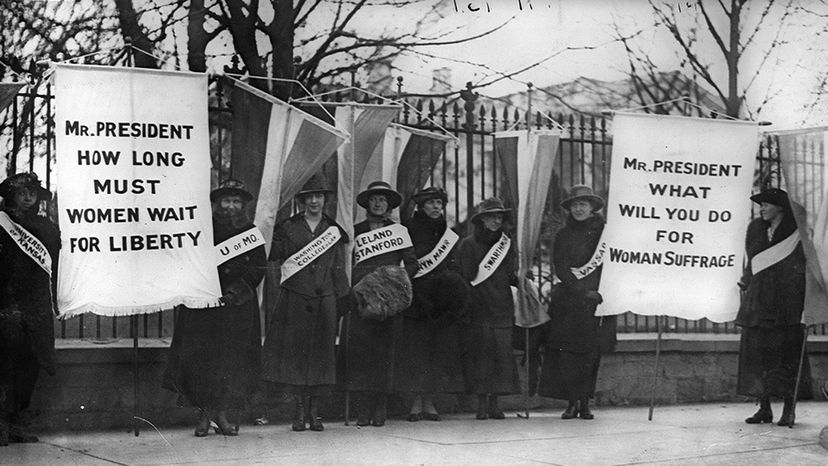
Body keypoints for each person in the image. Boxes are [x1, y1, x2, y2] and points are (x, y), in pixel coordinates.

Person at [163, 179, 266, 437]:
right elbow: (189, 262)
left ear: (242, 205)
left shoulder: (251, 233)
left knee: (231, 362)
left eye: (235, 202)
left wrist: (235, 292)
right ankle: (203, 415)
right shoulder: (202, 230)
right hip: (205, 306)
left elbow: (258, 268)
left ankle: (220, 414)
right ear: (217, 204)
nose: (230, 207)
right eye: (226, 201)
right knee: (202, 361)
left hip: (237, 307)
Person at [261, 174, 349, 432]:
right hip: (296, 297)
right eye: (309, 196)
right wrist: (267, 226)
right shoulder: (288, 227)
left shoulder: (333, 230)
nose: (314, 201)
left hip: (325, 299)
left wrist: (343, 299)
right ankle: (299, 411)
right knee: (297, 356)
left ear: (325, 199)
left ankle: (315, 412)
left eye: (318, 196)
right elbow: (273, 254)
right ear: (301, 200)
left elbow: (339, 267)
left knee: (322, 356)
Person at [342, 181, 417, 427]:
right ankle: (363, 409)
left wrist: (390, 284)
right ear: (367, 203)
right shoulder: (355, 231)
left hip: (388, 304)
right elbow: (346, 263)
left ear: (389, 206)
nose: (378, 203)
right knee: (362, 354)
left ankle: (380, 406)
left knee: (385, 355)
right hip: (362, 301)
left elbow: (412, 265)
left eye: (383, 200)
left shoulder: (399, 232)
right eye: (374, 199)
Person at [538, 184, 615, 420]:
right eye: (575, 204)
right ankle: (571, 402)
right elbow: (561, 267)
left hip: (598, 302)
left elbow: (611, 265)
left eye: (583, 204)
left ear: (592, 207)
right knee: (568, 354)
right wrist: (581, 291)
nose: (579, 209)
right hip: (570, 302)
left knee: (590, 354)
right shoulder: (563, 234)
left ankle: (585, 402)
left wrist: (599, 292)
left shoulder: (606, 233)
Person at [736, 187, 811, 427]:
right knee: (758, 357)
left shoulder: (797, 232)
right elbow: (752, 260)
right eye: (761, 205)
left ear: (780, 207)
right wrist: (746, 281)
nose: (762, 209)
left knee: (786, 356)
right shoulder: (755, 229)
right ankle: (764, 408)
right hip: (758, 302)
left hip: (786, 303)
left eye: (766, 204)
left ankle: (788, 410)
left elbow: (806, 265)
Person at [394, 187, 468, 422]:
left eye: (439, 203)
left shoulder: (448, 233)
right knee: (417, 354)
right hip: (417, 299)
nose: (436, 207)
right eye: (431, 203)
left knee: (437, 354)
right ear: (421, 206)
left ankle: (430, 401)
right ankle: (416, 402)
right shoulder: (408, 229)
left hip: (441, 302)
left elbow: (455, 264)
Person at [0, 173, 59, 446]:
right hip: (6, 306)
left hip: (35, 308)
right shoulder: (2, 224)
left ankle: (17, 423)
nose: (27, 197)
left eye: (32, 192)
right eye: (22, 192)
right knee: (4, 365)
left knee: (29, 366)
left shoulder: (46, 227)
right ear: (11, 195)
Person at [457, 197, 520, 420]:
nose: (496, 220)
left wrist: (522, 280)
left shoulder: (506, 243)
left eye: (499, 217)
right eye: (491, 216)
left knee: (501, 357)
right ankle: (481, 403)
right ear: (481, 219)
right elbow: (464, 278)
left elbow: (510, 274)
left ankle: (495, 403)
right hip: (479, 307)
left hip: (501, 305)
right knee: (481, 358)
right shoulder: (468, 244)